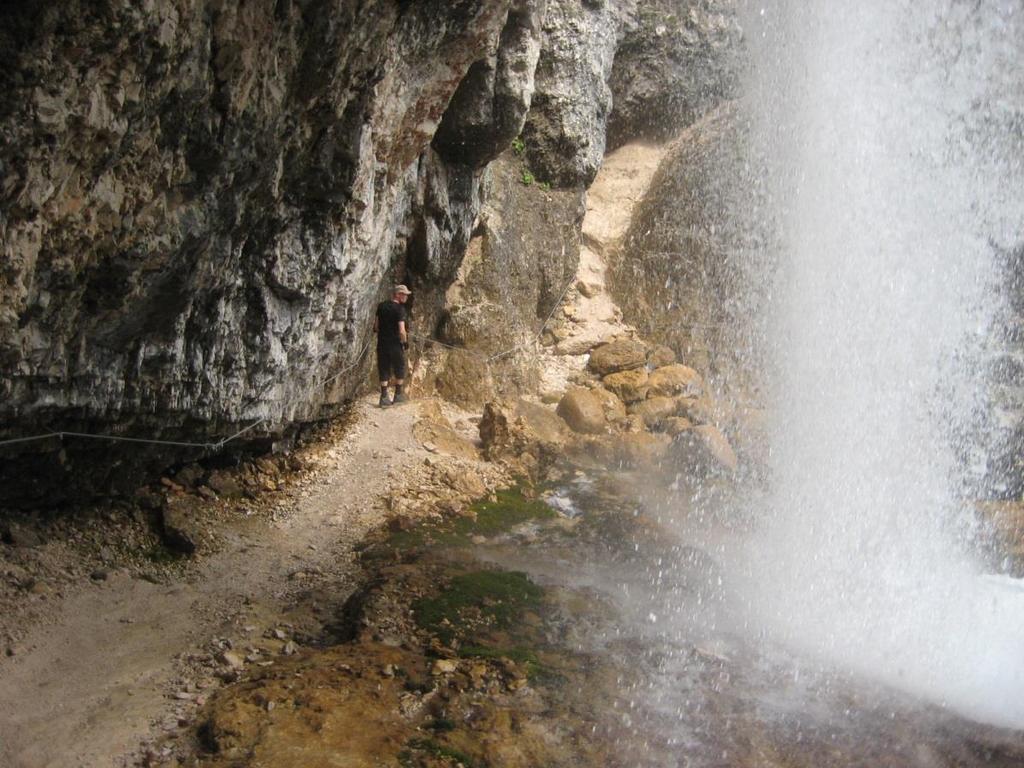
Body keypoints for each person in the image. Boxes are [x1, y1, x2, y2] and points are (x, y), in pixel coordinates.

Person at [374, 284, 412, 407]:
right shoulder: (400, 309)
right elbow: (402, 330)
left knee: (383, 367)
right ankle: (398, 395)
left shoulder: (381, 306)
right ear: (398, 294)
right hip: (395, 344)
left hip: (382, 343)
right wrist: (405, 342)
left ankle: (384, 397)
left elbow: (376, 327)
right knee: (400, 367)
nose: (406, 297)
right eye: (404, 294)